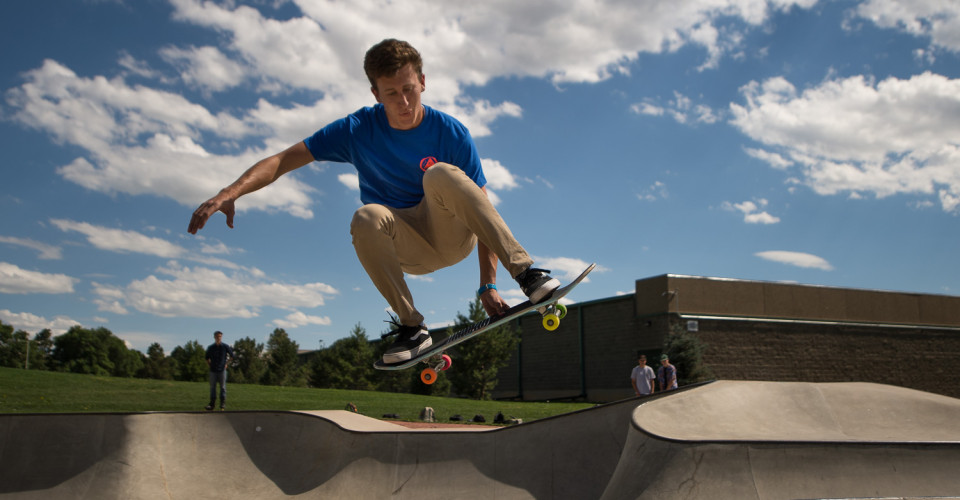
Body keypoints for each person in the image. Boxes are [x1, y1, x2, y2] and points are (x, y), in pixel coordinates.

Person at [188, 39, 560, 365]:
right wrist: (229, 192)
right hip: (407, 246)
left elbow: (481, 208)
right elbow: (283, 160)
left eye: (409, 89)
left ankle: (527, 274)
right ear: (375, 94)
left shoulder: (450, 132)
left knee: (440, 175)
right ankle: (412, 327)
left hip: (451, 235)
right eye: (391, 93)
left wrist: (487, 285)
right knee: (365, 216)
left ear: (423, 83)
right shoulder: (356, 130)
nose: (403, 102)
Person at [205, 330, 234, 410]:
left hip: (222, 370)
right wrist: (210, 365)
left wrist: (226, 363)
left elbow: (232, 356)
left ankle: (222, 404)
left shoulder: (225, 346)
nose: (219, 338)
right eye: (217, 336)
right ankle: (212, 404)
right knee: (212, 387)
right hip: (213, 370)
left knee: (223, 387)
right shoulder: (211, 347)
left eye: (220, 336)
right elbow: (207, 358)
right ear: (214, 337)